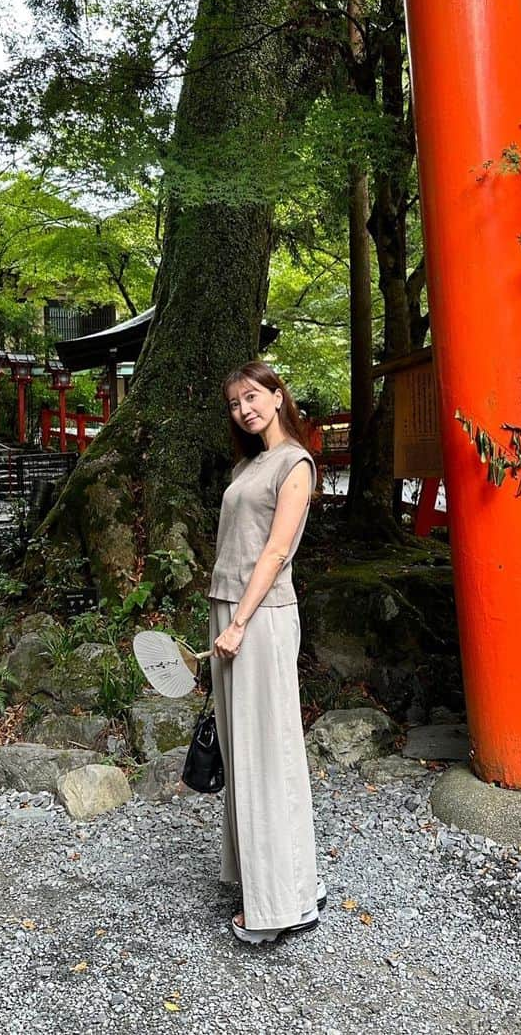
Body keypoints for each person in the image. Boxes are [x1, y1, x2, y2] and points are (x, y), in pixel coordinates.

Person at [209, 360, 323, 944]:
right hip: (228, 609)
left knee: (266, 750)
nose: (245, 409)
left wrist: (241, 623)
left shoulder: (293, 463)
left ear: (278, 396)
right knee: (243, 750)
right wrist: (225, 620)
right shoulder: (247, 463)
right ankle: (284, 878)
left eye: (253, 396)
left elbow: (276, 553)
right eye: (234, 403)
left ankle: (281, 903)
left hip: (260, 616)